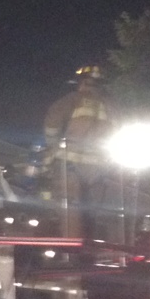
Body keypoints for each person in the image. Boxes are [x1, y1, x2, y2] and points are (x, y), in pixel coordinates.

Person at [42, 64, 115, 242]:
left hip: (70, 165)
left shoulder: (72, 99)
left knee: (70, 209)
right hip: (99, 170)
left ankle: (71, 252)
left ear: (81, 82)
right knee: (92, 212)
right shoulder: (113, 107)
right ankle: (89, 251)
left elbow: (52, 123)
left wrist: (53, 146)